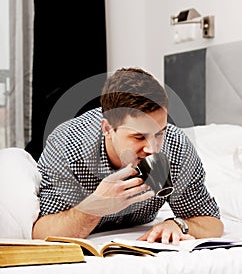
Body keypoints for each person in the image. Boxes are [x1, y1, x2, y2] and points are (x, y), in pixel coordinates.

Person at [32, 67, 224, 243]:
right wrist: (96, 206)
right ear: (107, 128)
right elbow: (40, 232)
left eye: (159, 133)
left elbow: (212, 222)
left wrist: (177, 224)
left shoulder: (175, 146)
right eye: (139, 136)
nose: (153, 148)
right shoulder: (68, 145)